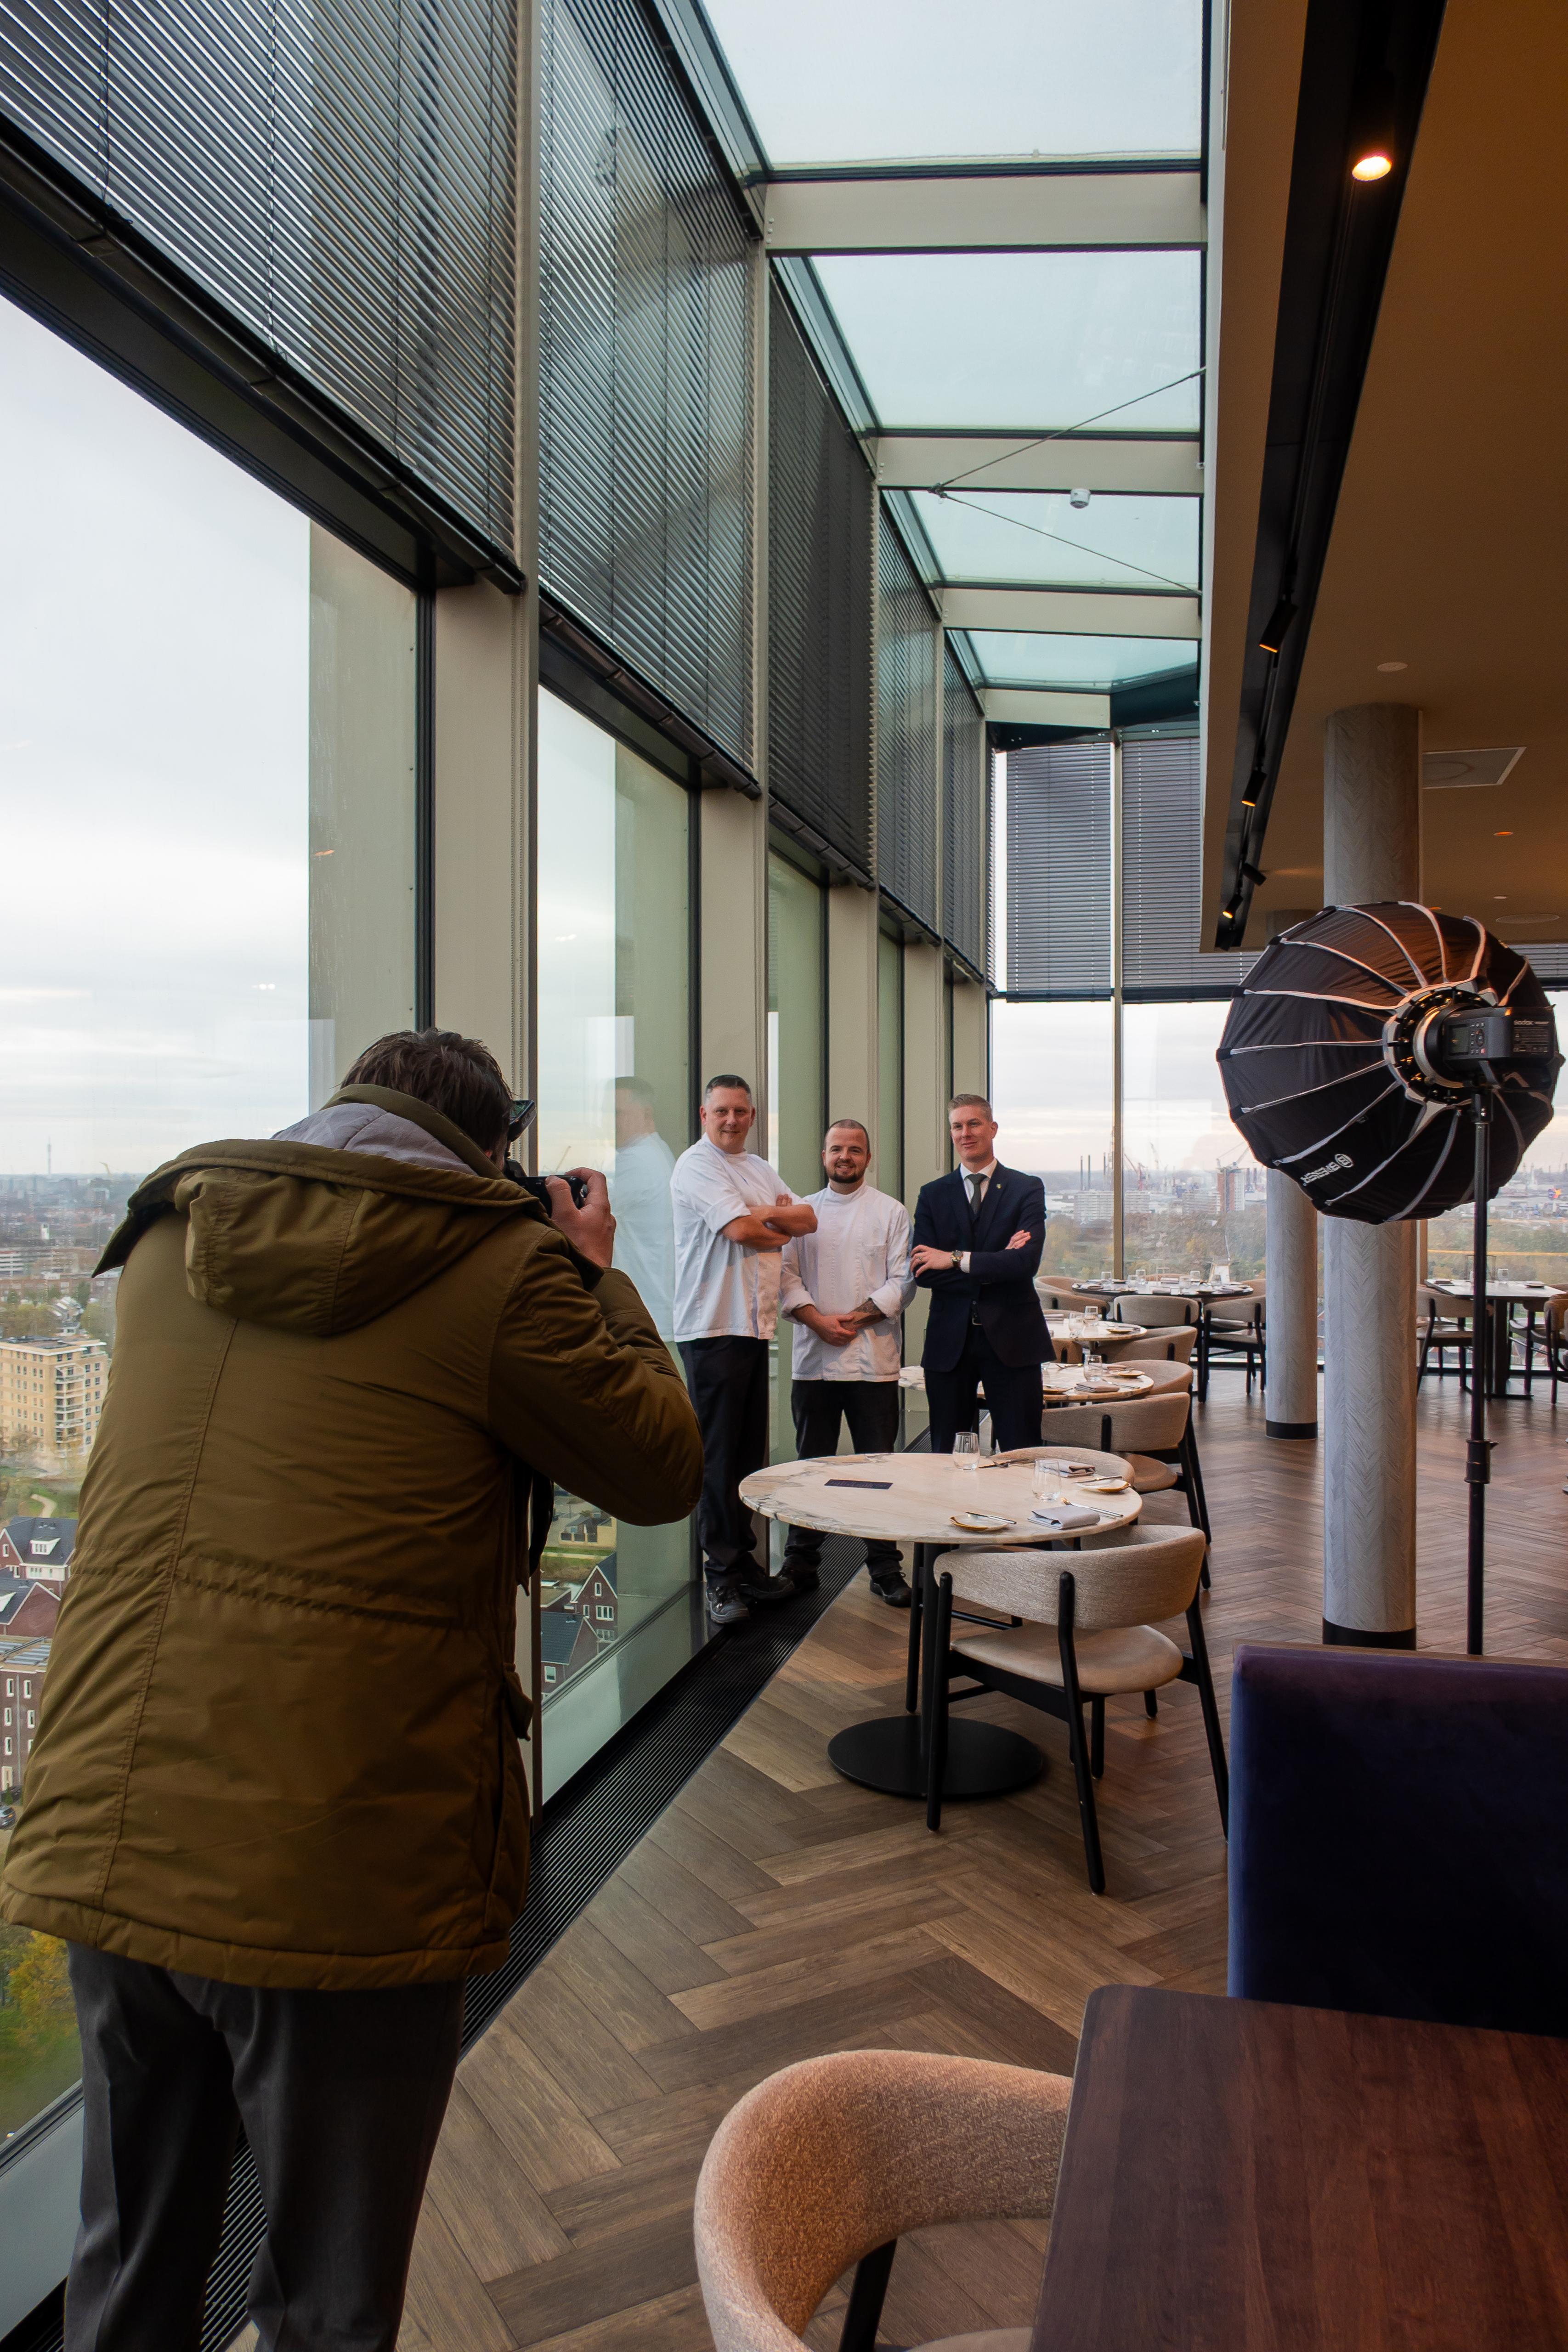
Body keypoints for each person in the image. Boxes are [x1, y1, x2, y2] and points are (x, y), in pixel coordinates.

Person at [0, 1029, 701, 2352]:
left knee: (129, 2267)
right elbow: (660, 1467)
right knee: (328, 2296)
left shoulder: (166, 1241)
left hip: (118, 1823)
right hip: (342, 1854)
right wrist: (597, 1276)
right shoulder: (505, 1268)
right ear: (490, 1153)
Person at [670, 1074, 817, 1625]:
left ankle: (748, 1567)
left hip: (753, 1328)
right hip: (711, 1326)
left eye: (740, 1111)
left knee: (748, 1454)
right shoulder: (696, 1164)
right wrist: (772, 1223)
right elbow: (740, 1231)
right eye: (721, 1111)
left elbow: (809, 1218)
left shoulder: (756, 1168)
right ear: (703, 1113)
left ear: (752, 1116)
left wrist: (767, 1221)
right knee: (718, 1457)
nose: (731, 1120)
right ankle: (721, 1579)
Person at [778, 1119, 917, 1607]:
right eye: (837, 1148)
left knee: (877, 1467)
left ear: (867, 1157)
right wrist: (820, 1322)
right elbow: (785, 1276)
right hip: (813, 1361)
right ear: (823, 1155)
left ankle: (884, 1567)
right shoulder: (803, 1212)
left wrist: (851, 1320)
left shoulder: (890, 1212)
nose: (845, 1156)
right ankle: (800, 1563)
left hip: (872, 1363)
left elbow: (903, 1280)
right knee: (810, 1467)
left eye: (854, 1149)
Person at [911, 1092, 1052, 1454]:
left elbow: (1025, 1264)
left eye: (973, 1123)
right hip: (949, 1342)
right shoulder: (932, 1195)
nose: (965, 1133)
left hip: (1013, 1339)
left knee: (1022, 1452)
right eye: (957, 1126)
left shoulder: (1026, 1188)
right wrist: (997, 1261)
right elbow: (925, 1271)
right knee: (946, 1453)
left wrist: (955, 1258)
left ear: (992, 1128)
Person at [610, 1073, 677, 1335]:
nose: (611, 1123)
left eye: (618, 1113)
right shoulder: (658, 1152)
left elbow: (584, 1218)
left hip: (642, 1314)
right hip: (654, 1309)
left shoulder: (637, 1161)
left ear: (646, 1114)